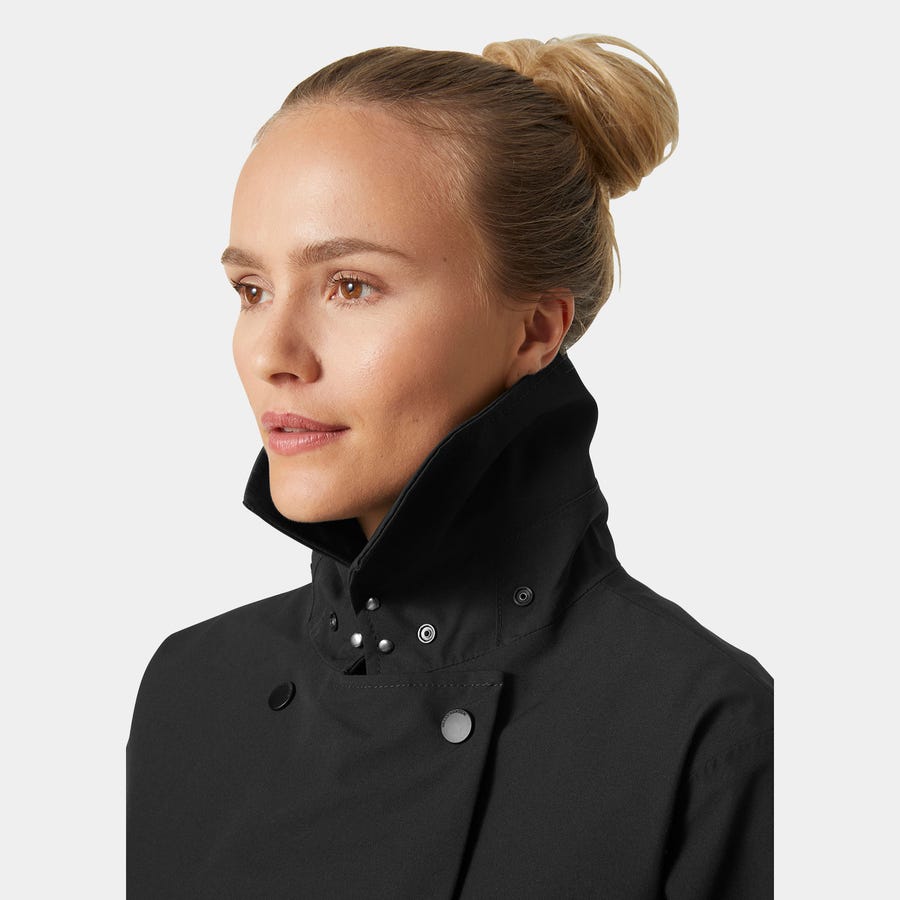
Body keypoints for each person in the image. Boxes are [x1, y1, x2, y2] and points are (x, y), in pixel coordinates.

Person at [126, 33, 774, 898]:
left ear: (535, 329)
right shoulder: (190, 694)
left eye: (350, 285)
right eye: (252, 290)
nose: (272, 354)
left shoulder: (704, 732)